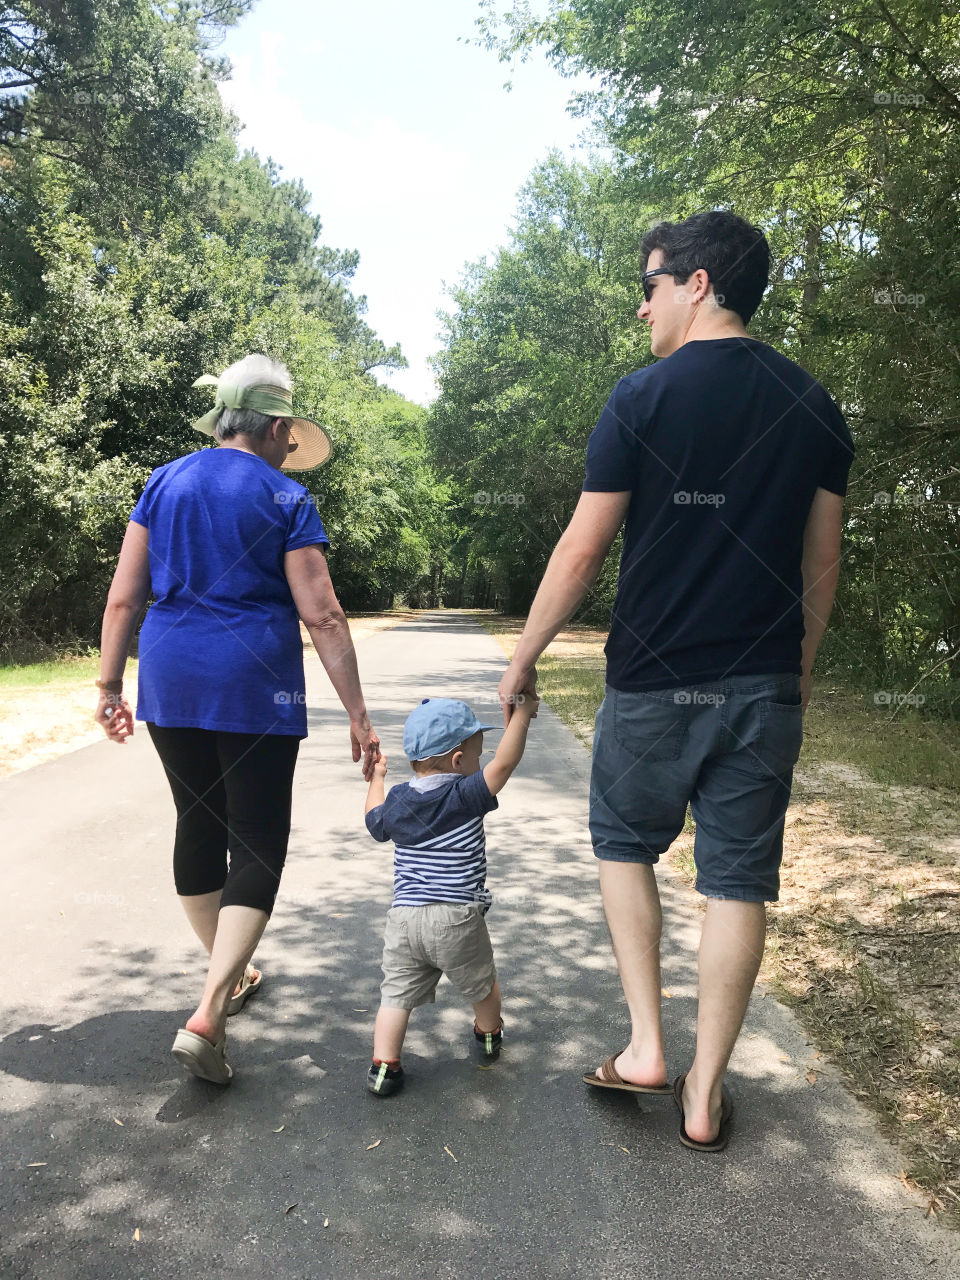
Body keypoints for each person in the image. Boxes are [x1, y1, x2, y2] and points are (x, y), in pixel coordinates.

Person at [497, 211, 855, 1151]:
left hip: (653, 681)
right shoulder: (813, 404)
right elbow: (823, 561)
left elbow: (582, 552)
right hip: (764, 685)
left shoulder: (642, 398)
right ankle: (705, 1093)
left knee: (624, 845)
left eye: (649, 285)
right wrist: (799, 669)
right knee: (737, 882)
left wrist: (524, 654)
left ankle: (648, 1048)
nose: (642, 306)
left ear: (699, 283)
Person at [95, 353, 380, 1084]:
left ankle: (230, 975)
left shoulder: (163, 481)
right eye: (291, 434)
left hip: (171, 675)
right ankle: (210, 1008)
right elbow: (322, 613)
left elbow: (124, 597)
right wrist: (359, 713)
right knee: (256, 838)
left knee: (198, 824)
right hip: (253, 682)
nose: (293, 447)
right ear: (276, 427)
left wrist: (109, 685)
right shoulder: (286, 496)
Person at [363, 694, 538, 1096]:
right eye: (478, 755)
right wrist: (523, 715)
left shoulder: (398, 801)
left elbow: (373, 821)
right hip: (456, 917)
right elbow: (505, 764)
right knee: (482, 985)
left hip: (404, 920)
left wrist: (377, 778)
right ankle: (488, 1034)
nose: (483, 761)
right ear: (458, 761)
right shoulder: (463, 795)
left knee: (395, 996)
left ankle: (384, 1067)